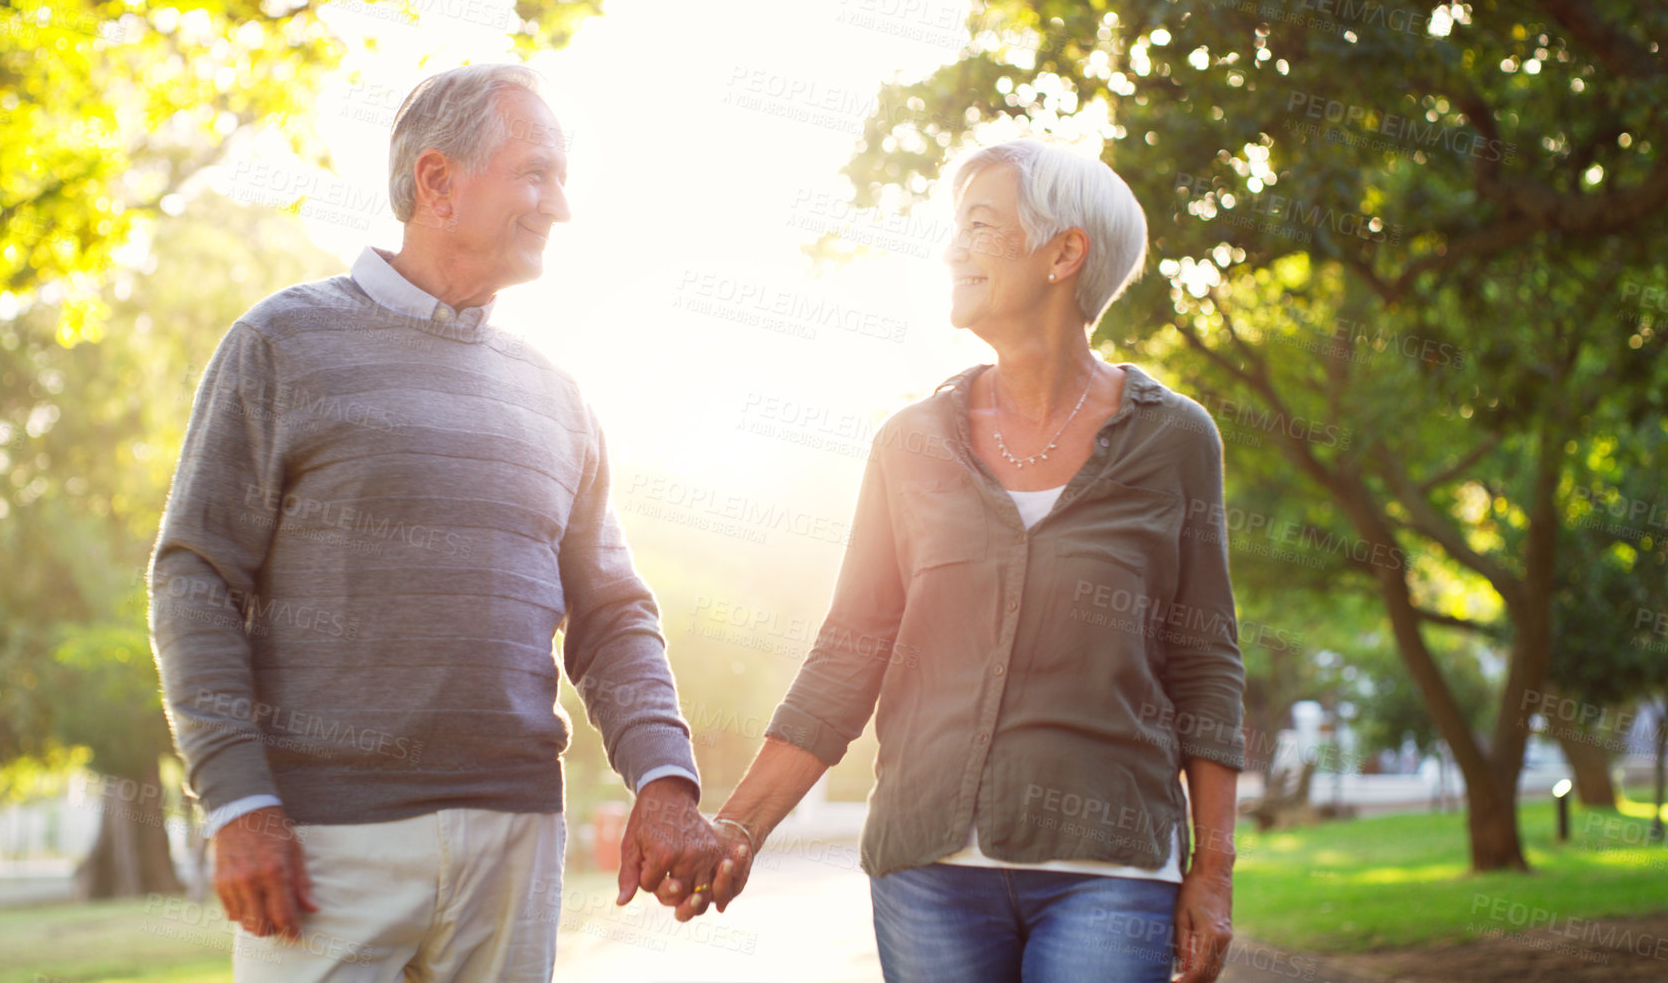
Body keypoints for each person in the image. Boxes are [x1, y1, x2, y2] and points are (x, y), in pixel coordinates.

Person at [148, 62, 723, 981]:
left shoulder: (560, 394)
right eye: (537, 172)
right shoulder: (281, 344)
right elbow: (193, 579)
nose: (560, 206)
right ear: (438, 181)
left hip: (513, 838)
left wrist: (663, 779)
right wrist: (237, 804)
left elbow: (612, 612)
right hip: (322, 843)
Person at [680, 139, 1248, 983]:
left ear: (1065, 252)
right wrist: (741, 826)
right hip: (927, 874)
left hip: (1111, 867)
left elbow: (1206, 659)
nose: (950, 248)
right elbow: (850, 650)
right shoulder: (909, 444)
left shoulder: (1174, 439)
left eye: (979, 225)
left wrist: (1213, 870)